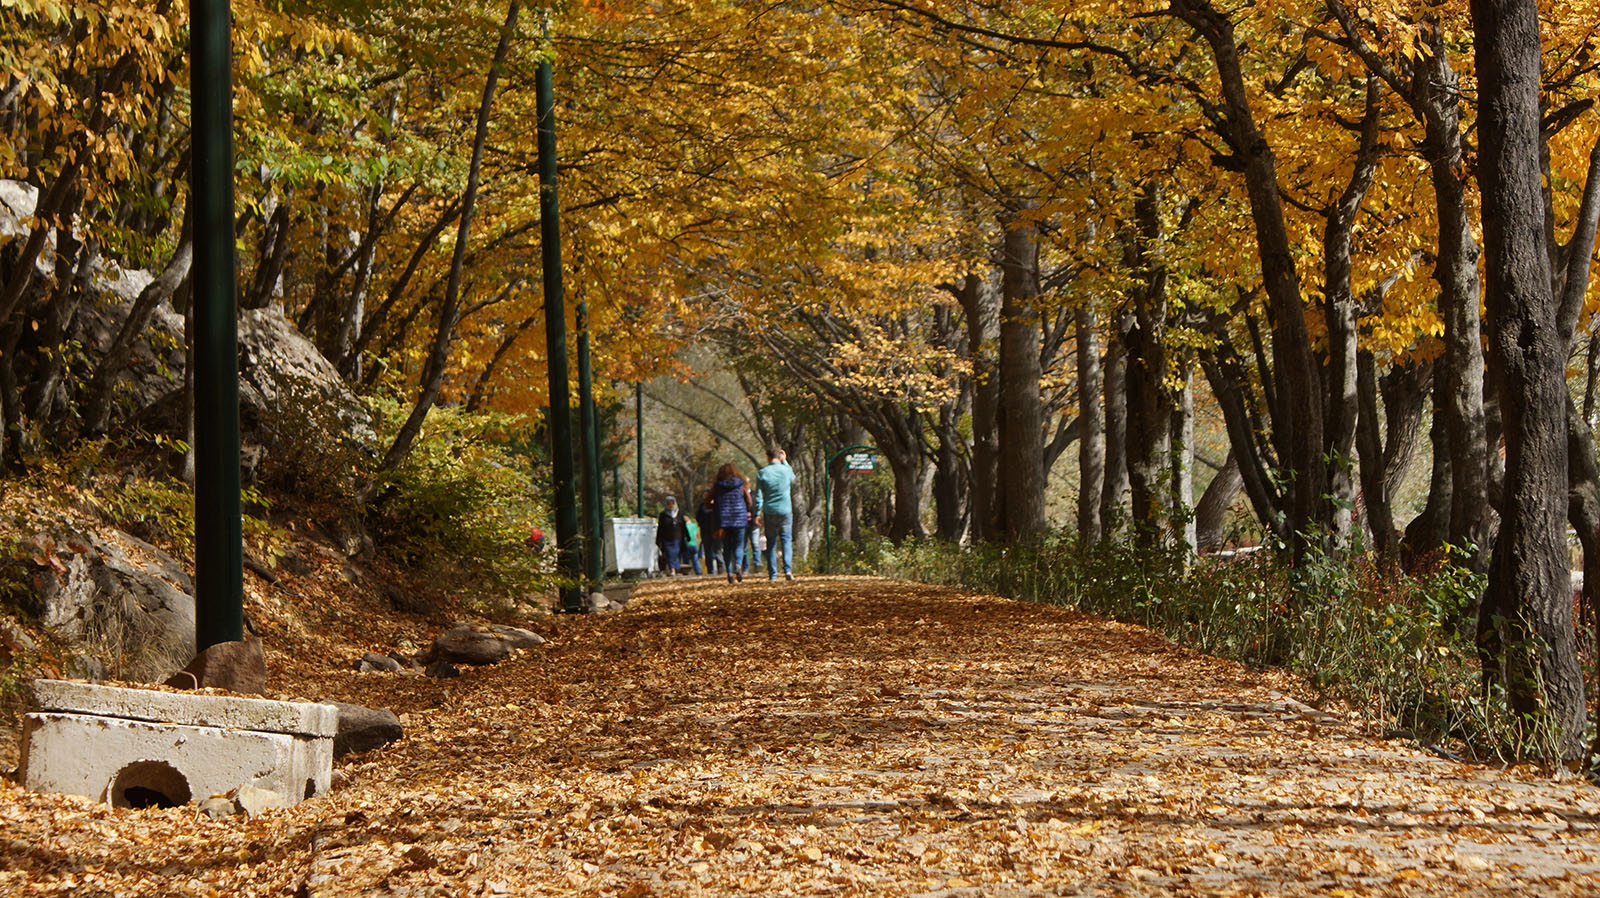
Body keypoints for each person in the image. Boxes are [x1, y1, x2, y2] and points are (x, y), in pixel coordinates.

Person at [755, 447, 796, 581]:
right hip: (785, 510)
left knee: (771, 542)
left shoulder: (762, 473)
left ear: (768, 458)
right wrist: (785, 461)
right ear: (779, 457)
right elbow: (793, 478)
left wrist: (757, 513)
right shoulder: (786, 471)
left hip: (769, 511)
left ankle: (773, 574)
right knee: (786, 540)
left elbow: (758, 496)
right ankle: (788, 570)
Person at [712, 463, 754, 583]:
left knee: (727, 547)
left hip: (724, 520)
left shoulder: (717, 486)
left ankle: (729, 573)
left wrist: (713, 507)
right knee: (739, 545)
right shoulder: (741, 484)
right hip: (740, 519)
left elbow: (707, 500)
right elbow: (749, 501)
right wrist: (745, 508)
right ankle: (738, 566)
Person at [656, 496, 687, 575]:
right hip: (666, 538)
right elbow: (660, 528)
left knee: (675, 553)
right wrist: (658, 540)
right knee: (669, 554)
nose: (670, 506)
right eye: (668, 504)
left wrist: (687, 536)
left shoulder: (679, 514)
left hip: (677, 537)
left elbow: (683, 526)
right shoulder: (663, 515)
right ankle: (672, 569)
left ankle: (675, 568)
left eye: (672, 504)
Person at [696, 493, 720, 573]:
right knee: (708, 551)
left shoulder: (717, 505)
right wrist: (702, 525)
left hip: (716, 531)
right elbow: (698, 517)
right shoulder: (702, 507)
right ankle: (710, 569)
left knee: (718, 550)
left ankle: (721, 567)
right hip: (705, 532)